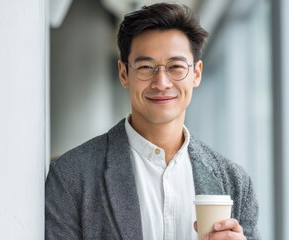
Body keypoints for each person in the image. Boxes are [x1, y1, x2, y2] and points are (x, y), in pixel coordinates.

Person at [45, 2, 260, 240]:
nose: (161, 83)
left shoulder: (235, 183)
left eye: (176, 67)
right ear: (124, 73)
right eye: (146, 67)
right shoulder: (72, 177)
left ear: (196, 74)